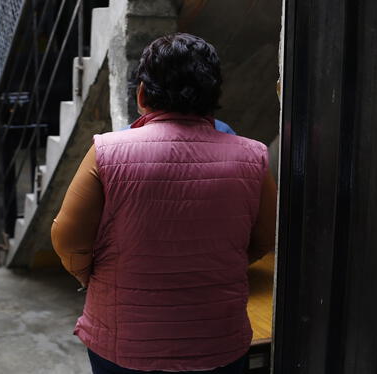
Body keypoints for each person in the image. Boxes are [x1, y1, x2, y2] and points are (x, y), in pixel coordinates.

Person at [51, 33, 277, 373]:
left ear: (142, 94)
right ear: (214, 96)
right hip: (217, 341)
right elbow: (264, 238)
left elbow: (67, 240)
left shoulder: (107, 152)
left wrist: (97, 276)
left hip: (123, 343)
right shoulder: (253, 156)